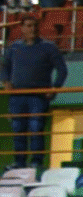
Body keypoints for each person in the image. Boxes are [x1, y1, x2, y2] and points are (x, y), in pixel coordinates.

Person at [2, 15, 67, 164]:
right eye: (29, 26)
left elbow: (62, 70)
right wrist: (6, 81)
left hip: (38, 96)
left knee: (36, 128)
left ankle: (36, 162)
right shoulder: (14, 47)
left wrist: (55, 88)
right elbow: (4, 66)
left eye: (35, 25)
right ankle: (19, 162)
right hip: (17, 95)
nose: (33, 29)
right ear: (22, 28)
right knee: (18, 129)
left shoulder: (49, 47)